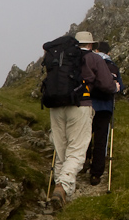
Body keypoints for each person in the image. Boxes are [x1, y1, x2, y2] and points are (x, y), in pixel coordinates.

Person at [49, 31, 119, 210]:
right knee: (77, 150)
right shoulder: (93, 59)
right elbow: (106, 84)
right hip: (80, 105)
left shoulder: (61, 57)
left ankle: (59, 191)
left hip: (56, 106)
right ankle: (62, 188)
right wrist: (115, 86)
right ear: (90, 45)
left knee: (61, 148)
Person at [85, 41, 124, 186]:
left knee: (85, 135)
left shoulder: (90, 61)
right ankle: (96, 174)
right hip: (105, 107)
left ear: (96, 50)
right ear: (109, 53)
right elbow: (120, 87)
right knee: (101, 141)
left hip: (88, 105)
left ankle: (85, 159)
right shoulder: (113, 66)